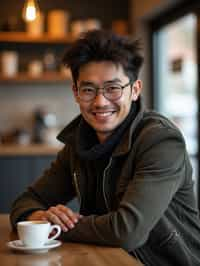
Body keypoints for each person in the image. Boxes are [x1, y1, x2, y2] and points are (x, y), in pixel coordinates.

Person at [10, 30, 200, 265]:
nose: (100, 102)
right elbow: (26, 201)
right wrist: (37, 215)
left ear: (135, 90)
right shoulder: (78, 143)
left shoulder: (160, 140)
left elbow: (127, 231)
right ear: (76, 93)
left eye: (113, 88)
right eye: (88, 90)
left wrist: (49, 226)